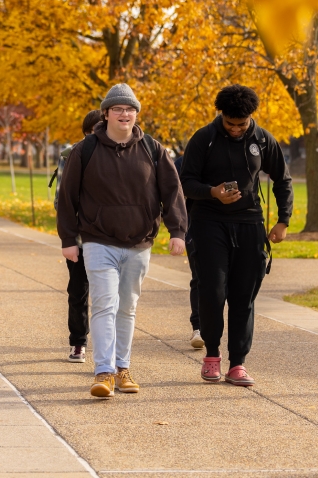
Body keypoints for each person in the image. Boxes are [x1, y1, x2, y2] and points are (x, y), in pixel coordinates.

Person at [58, 83, 187, 398]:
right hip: (98, 241)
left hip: (139, 244)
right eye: (118, 109)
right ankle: (102, 372)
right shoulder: (84, 150)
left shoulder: (153, 150)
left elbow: (172, 191)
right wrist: (68, 239)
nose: (124, 114)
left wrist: (178, 231)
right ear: (106, 114)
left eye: (130, 109)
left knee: (127, 307)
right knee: (104, 303)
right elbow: (67, 197)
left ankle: (121, 368)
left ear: (136, 114)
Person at [180, 85, 292, 387]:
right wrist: (213, 193)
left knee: (244, 296)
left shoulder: (263, 140)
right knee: (213, 290)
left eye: (241, 124)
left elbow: (282, 179)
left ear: (250, 118)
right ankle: (212, 358)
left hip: (249, 224)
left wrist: (283, 221)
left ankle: (238, 364)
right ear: (221, 116)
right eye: (230, 123)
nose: (236, 129)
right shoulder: (204, 139)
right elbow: (185, 181)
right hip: (209, 222)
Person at [61, 109, 101, 363]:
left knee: (110, 293)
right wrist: (69, 237)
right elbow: (61, 200)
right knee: (78, 289)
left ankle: (111, 347)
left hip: (109, 236)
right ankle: (78, 341)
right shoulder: (74, 154)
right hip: (80, 236)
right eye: (91, 132)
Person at [173, 155, 205, 350]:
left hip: (231, 225)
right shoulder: (187, 160)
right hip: (197, 226)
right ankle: (199, 328)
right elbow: (172, 188)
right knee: (200, 277)